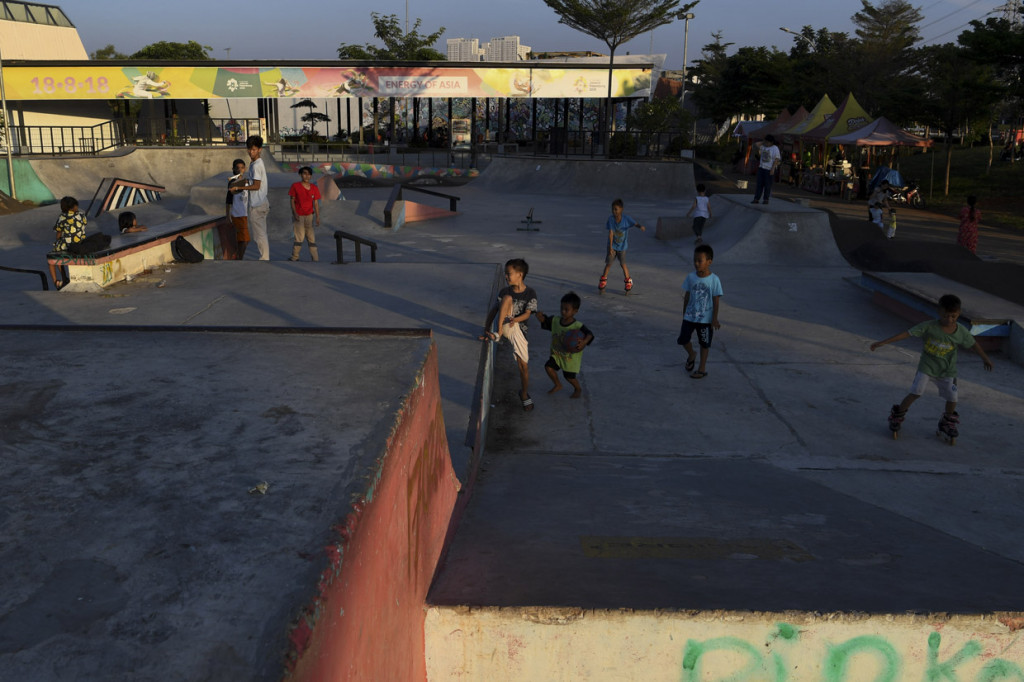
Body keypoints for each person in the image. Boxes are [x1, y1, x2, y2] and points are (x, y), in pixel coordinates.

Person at [870, 294, 993, 442]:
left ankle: (947, 421)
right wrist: (883, 342)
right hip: (927, 367)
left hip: (948, 371)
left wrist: (985, 358)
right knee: (916, 393)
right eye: (946, 316)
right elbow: (907, 333)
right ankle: (897, 416)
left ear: (958, 313)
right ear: (939, 312)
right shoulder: (928, 326)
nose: (949, 320)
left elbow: (973, 344)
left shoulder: (961, 331)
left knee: (953, 398)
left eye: (953, 316)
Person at [480, 258, 538, 411]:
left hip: (518, 329)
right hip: (504, 325)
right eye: (506, 274)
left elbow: (527, 314)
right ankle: (498, 334)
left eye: (509, 274)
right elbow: (494, 311)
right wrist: (486, 330)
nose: (506, 277)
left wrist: (515, 319)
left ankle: (524, 394)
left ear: (520, 274)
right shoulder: (505, 292)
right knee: (507, 298)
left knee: (523, 367)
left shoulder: (530, 293)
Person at [535, 291, 594, 399]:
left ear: (575, 311)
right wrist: (540, 317)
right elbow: (546, 321)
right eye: (562, 308)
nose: (563, 311)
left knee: (569, 377)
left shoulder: (577, 326)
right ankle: (557, 384)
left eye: (566, 309)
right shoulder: (555, 321)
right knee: (548, 367)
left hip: (570, 358)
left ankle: (578, 388)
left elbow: (589, 334)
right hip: (557, 355)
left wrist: (584, 342)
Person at [677, 243, 723, 379]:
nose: (696, 264)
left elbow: (716, 300)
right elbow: (687, 296)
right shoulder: (691, 277)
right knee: (683, 339)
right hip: (689, 317)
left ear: (709, 262)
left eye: (700, 261)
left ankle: (701, 369)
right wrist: (684, 313)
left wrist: (714, 318)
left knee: (704, 343)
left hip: (705, 319)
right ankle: (692, 354)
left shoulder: (714, 280)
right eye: (695, 260)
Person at [48, 196, 111, 288]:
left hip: (67, 245)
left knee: (52, 258)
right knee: (58, 250)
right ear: (74, 207)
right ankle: (64, 278)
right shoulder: (81, 215)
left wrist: (57, 241)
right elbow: (83, 225)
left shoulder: (62, 217)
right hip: (80, 242)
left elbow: (58, 232)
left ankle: (58, 281)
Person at [598, 198, 646, 293]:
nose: (614, 211)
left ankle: (628, 281)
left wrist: (640, 226)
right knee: (608, 264)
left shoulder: (626, 219)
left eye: (616, 209)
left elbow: (634, 223)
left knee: (623, 264)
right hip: (612, 246)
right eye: (612, 209)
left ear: (621, 209)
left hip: (622, 247)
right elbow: (611, 233)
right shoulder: (611, 219)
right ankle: (603, 280)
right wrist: (611, 247)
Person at [233, 135, 269, 260]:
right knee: (261, 233)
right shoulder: (256, 163)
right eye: (249, 149)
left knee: (259, 235)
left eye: (254, 149)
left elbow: (256, 186)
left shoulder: (256, 165)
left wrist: (239, 188)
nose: (250, 152)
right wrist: (241, 182)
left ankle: (264, 258)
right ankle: (265, 257)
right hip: (262, 202)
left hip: (258, 204)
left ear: (259, 150)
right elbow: (254, 181)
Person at [287, 166, 321, 262]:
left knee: (311, 238)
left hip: (309, 216)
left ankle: (315, 259)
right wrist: (294, 212)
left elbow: (316, 203)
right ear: (301, 175)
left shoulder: (314, 188)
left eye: (309, 174)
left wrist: (318, 216)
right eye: (304, 173)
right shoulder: (295, 186)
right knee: (299, 237)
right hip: (299, 216)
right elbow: (292, 200)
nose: (307, 176)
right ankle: (295, 257)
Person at [225, 158, 250, 259]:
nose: (240, 170)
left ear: (245, 169)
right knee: (245, 240)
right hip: (237, 215)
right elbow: (228, 201)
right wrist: (227, 216)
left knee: (241, 239)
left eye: (242, 168)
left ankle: (238, 256)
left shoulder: (246, 182)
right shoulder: (233, 182)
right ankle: (240, 258)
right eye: (237, 168)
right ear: (233, 169)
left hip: (244, 214)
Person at [751, 134, 781, 204]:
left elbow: (776, 159)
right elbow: (755, 145)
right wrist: (763, 142)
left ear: (772, 142)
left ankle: (766, 199)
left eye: (768, 142)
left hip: (769, 169)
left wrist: (773, 169)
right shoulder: (763, 146)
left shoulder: (775, 148)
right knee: (759, 184)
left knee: (767, 185)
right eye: (766, 142)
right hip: (761, 167)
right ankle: (756, 198)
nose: (767, 144)